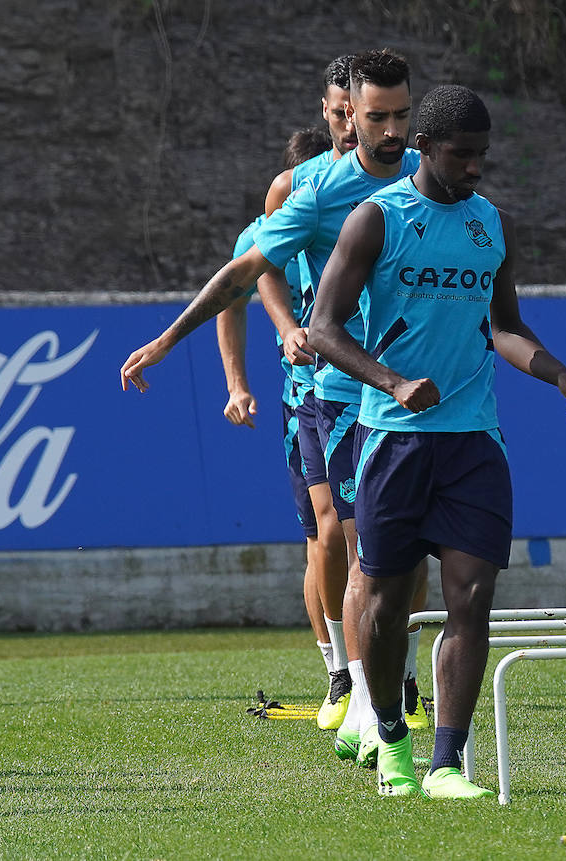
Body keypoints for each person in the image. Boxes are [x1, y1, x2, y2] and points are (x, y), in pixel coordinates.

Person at [118, 50, 430, 749]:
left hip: (424, 397)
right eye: (365, 114)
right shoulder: (310, 189)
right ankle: (354, 688)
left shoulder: (429, 176)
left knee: (411, 556)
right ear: (340, 111)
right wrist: (171, 340)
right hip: (342, 392)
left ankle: (397, 684)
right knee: (344, 539)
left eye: (395, 116)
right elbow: (245, 275)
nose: (379, 128)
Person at [309, 84, 566, 798]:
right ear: (424, 148)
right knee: (381, 605)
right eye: (460, 155)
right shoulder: (377, 220)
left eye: (481, 156)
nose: (474, 168)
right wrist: (391, 380)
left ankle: (446, 762)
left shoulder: (489, 225)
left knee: (471, 598)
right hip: (394, 440)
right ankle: (391, 739)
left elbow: (502, 324)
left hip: (473, 441)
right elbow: (323, 327)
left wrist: (558, 373)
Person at [217, 122, 340, 726]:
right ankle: (337, 675)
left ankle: (394, 677)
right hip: (303, 402)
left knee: (378, 537)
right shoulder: (267, 233)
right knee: (323, 537)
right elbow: (227, 301)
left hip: (361, 394)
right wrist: (237, 383)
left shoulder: (363, 217)